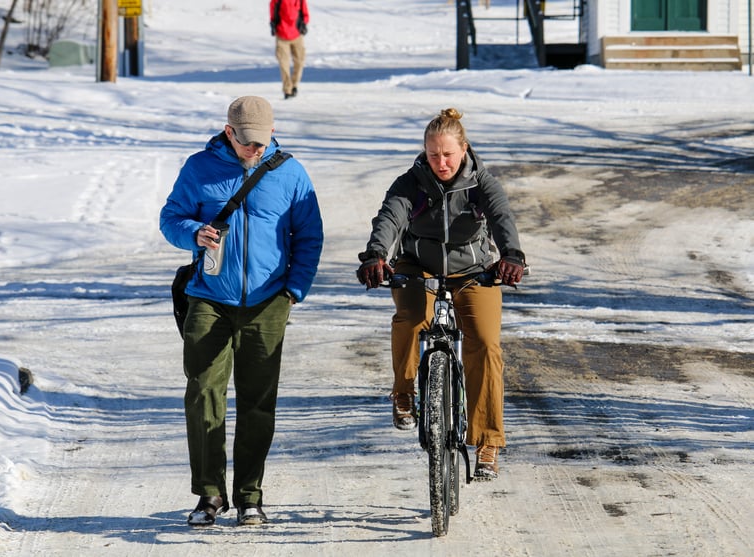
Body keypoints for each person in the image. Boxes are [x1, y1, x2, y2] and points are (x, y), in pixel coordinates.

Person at [160, 96, 324, 526]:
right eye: (247, 141)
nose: (255, 149)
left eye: (262, 140)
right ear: (229, 132)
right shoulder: (199, 168)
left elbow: (310, 236)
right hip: (209, 298)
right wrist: (194, 233)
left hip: (269, 303)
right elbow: (170, 218)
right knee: (202, 393)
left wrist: (294, 289)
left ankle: (250, 495)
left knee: (257, 401)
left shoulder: (290, 172)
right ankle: (209, 493)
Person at [356, 108, 525, 480]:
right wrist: (376, 255)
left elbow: (501, 219)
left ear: (463, 149)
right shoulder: (410, 183)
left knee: (484, 343)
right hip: (418, 265)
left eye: (448, 154)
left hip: (473, 270)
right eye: (433, 155)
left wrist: (511, 254)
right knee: (411, 318)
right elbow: (389, 219)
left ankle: (487, 442)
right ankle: (403, 393)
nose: (441, 162)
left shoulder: (482, 183)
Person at [270, 0, 309, 99]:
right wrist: (273, 25)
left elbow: (305, 13)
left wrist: (304, 24)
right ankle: (288, 89)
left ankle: (294, 85)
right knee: (284, 63)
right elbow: (272, 13)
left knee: (300, 61)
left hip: (296, 35)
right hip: (282, 35)